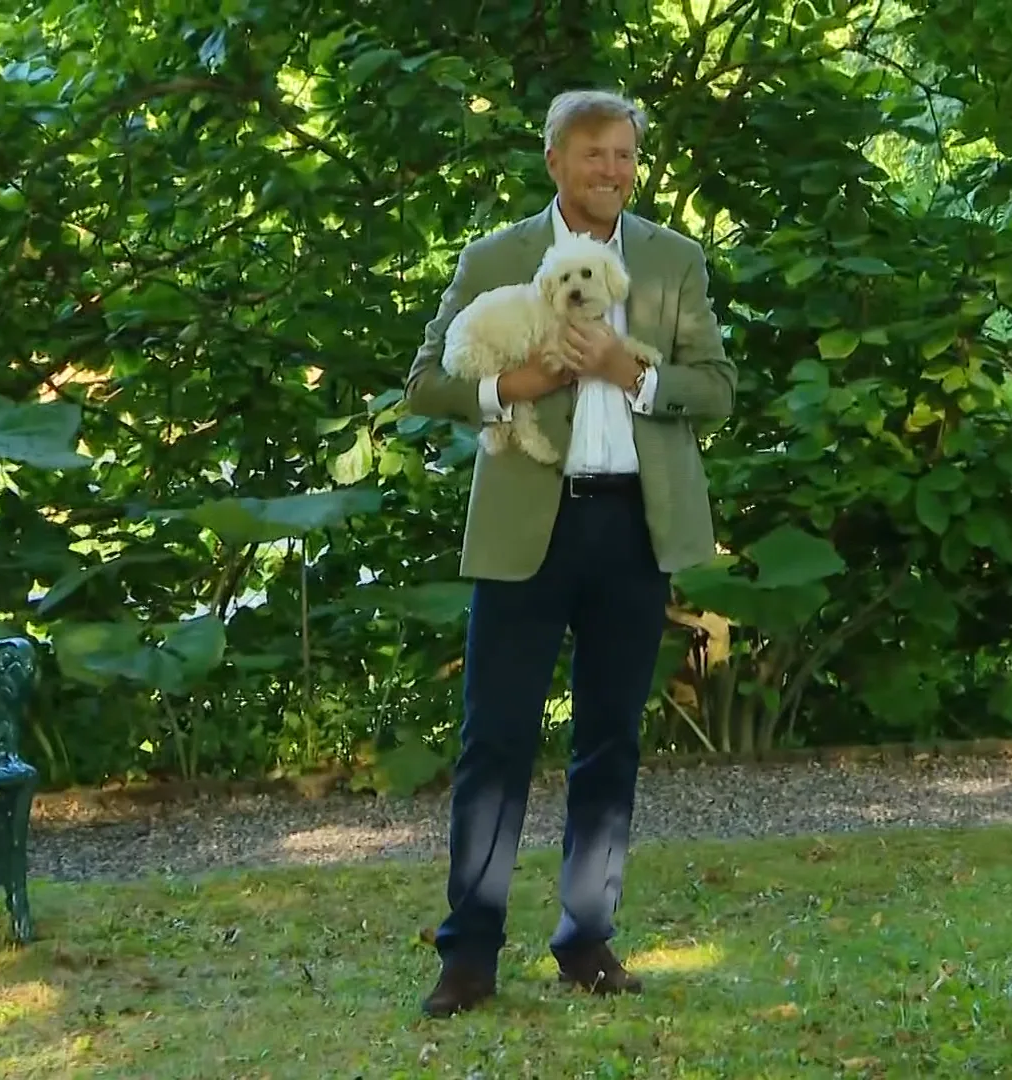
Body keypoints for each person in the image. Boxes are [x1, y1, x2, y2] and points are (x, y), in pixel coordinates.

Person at [401, 88, 736, 1018]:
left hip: (634, 528)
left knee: (609, 744)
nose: (613, 171)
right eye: (594, 154)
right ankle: (468, 957)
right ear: (554, 160)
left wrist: (631, 372)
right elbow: (426, 381)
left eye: (626, 155)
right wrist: (518, 382)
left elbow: (716, 389)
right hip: (524, 531)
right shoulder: (494, 258)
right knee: (496, 742)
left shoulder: (673, 261)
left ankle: (587, 940)